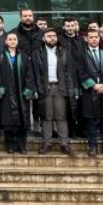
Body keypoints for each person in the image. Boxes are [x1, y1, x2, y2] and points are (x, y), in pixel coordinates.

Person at [28, 28, 74, 156]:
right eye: (49, 36)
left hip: (60, 87)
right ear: (44, 38)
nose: (52, 38)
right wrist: (35, 89)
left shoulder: (64, 52)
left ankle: (64, 143)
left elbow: (70, 72)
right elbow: (33, 73)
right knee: (46, 116)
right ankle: (46, 143)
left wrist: (72, 89)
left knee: (61, 116)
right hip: (44, 88)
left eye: (54, 35)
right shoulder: (37, 53)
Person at [76, 28, 103, 157]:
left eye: (96, 37)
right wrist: (93, 85)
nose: (94, 39)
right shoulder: (81, 54)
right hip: (90, 92)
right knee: (90, 121)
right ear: (86, 39)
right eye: (91, 37)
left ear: (99, 38)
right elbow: (80, 72)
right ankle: (92, 146)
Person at [0, 33, 31, 153]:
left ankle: (22, 146)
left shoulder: (24, 57)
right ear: (5, 41)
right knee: (8, 120)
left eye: (14, 39)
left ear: (17, 41)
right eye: (10, 39)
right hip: (7, 93)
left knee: (22, 119)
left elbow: (29, 74)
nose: (12, 41)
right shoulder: (0, 56)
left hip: (21, 93)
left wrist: (29, 89)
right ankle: (10, 145)